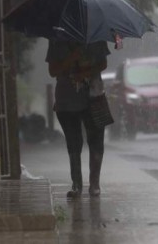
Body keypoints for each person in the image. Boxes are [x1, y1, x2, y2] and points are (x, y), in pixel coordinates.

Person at [46, 38, 110, 198]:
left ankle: (95, 184)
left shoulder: (96, 34)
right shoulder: (57, 38)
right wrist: (72, 58)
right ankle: (76, 184)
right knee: (73, 143)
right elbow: (53, 70)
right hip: (67, 99)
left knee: (96, 141)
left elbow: (103, 63)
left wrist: (85, 74)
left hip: (94, 95)